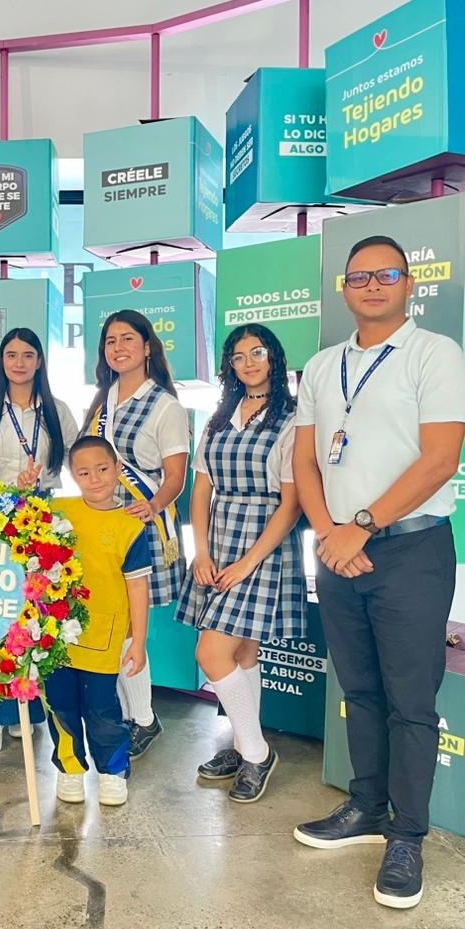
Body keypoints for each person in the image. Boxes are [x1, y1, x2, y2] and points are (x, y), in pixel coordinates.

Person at [292, 235, 465, 909]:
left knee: (410, 701)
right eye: (359, 276)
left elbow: (439, 459)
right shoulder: (321, 364)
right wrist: (330, 535)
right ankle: (364, 806)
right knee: (358, 689)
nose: (371, 285)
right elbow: (305, 462)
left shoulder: (435, 353)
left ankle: (408, 834)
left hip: (410, 551)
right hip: (339, 550)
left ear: (407, 282)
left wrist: (358, 526)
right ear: (343, 289)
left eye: (385, 274)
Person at [175, 324, 305, 802]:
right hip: (221, 537)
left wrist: (250, 562)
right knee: (242, 654)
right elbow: (203, 487)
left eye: (259, 352)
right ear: (229, 364)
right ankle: (242, 743)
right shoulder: (219, 416)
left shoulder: (291, 419)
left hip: (264, 542)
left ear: (275, 358)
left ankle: (256, 752)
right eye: (239, 355)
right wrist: (201, 550)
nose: (249, 362)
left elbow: (291, 504)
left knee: (211, 655)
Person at [0, 327, 79, 754]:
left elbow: (72, 462)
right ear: (2, 362)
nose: (20, 362)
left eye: (28, 354)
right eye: (11, 354)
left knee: (34, 618)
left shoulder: (57, 410)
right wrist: (12, 484)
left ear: (40, 361)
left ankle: (25, 707)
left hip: (42, 520)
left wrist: (39, 482)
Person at [82, 309, 190, 757]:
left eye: (129, 339)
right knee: (113, 621)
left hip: (140, 529)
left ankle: (142, 718)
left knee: (129, 629)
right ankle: (133, 714)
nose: (119, 347)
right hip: (102, 527)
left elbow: (176, 475)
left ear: (148, 347)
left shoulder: (165, 406)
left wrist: (155, 504)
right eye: (110, 341)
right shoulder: (102, 401)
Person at [47, 436, 152, 807]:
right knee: (61, 708)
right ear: (72, 476)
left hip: (104, 640)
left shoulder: (131, 525)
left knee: (104, 712)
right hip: (57, 639)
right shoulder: (60, 511)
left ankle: (113, 772)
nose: (95, 479)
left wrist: (138, 642)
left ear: (118, 469)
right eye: (84, 472)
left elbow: (138, 589)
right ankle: (69, 770)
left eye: (103, 469)